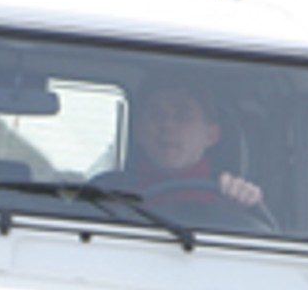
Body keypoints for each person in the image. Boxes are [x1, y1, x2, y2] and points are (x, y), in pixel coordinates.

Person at [99, 80, 264, 212]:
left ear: (211, 135)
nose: (167, 125)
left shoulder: (228, 198)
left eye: (182, 116)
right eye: (156, 115)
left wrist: (241, 206)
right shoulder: (104, 192)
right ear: (138, 131)